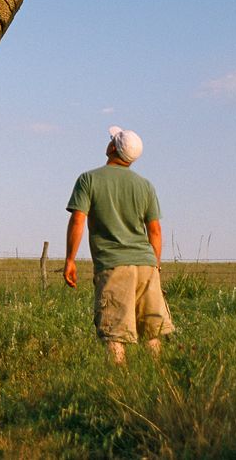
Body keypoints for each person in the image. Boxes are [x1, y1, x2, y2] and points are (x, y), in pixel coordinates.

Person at [64, 125, 174, 363]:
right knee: (152, 331)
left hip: (114, 266)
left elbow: (77, 220)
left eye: (112, 139)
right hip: (146, 265)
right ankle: (156, 377)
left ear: (113, 147)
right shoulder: (145, 185)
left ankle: (118, 386)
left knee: (114, 333)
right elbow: (154, 230)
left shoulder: (88, 179)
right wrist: (155, 266)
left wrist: (70, 260)